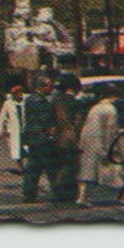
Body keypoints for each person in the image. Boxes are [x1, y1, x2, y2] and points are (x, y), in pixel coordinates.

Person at [77, 84, 124, 206]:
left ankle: (82, 196)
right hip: (103, 143)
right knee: (117, 169)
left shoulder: (95, 108)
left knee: (88, 171)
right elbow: (111, 131)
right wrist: (111, 148)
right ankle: (123, 195)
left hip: (89, 143)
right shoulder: (110, 109)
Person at [19, 74, 58, 202]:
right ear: (42, 87)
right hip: (42, 138)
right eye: (50, 86)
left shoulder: (30, 99)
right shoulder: (40, 101)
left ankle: (29, 194)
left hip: (33, 138)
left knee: (33, 168)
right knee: (50, 167)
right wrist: (52, 133)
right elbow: (46, 120)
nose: (52, 89)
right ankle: (58, 193)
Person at [49, 73, 86, 201]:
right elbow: (77, 124)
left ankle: (58, 192)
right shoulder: (75, 103)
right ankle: (65, 194)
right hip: (70, 140)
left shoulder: (55, 100)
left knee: (58, 166)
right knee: (71, 167)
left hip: (56, 138)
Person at [0, 85, 25, 170]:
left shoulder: (24, 103)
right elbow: (2, 117)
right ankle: (21, 166)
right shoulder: (8, 104)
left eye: (21, 93)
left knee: (26, 148)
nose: (20, 95)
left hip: (24, 128)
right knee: (16, 149)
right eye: (18, 93)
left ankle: (27, 166)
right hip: (14, 130)